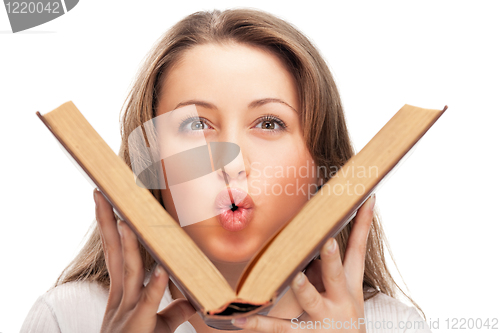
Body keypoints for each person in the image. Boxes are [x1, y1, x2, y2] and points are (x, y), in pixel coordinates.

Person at [20, 8, 431, 333]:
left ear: (320, 167)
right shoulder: (67, 318)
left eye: (269, 123)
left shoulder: (392, 326)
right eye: (195, 125)